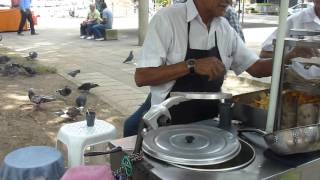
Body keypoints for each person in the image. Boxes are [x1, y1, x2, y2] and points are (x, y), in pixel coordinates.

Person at [123, 0, 272, 137]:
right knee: (130, 129)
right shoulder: (168, 19)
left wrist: (289, 55)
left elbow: (257, 68)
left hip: (208, 123)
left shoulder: (224, 28)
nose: (230, 1)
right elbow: (142, 77)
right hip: (168, 123)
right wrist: (192, 65)